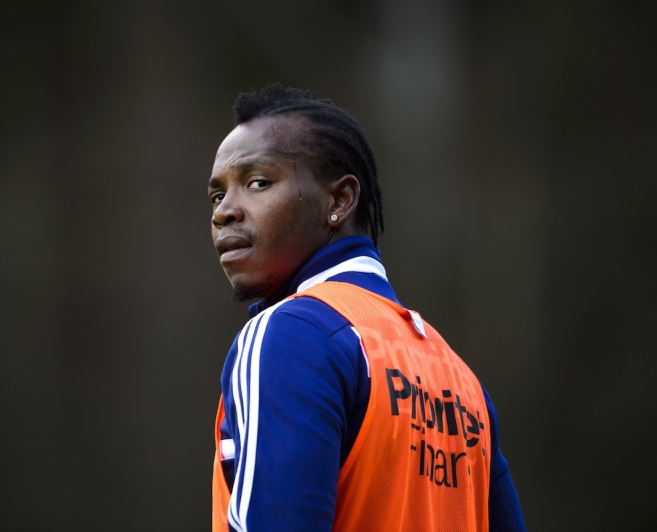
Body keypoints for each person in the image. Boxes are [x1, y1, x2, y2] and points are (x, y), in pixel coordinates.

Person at [207, 84, 525, 532]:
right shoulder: (460, 381)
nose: (223, 212)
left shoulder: (291, 334)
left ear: (339, 200)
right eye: (216, 196)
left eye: (258, 182)